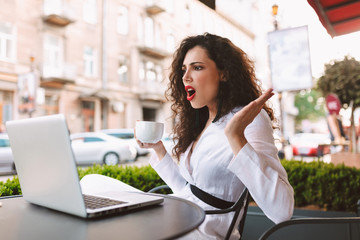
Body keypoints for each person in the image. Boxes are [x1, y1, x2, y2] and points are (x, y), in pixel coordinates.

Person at [81, 33, 294, 239]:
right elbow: (187, 189)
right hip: (180, 212)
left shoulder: (249, 119)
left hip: (203, 229)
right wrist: (158, 148)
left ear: (224, 73)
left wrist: (236, 136)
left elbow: (282, 211)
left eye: (197, 67)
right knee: (91, 182)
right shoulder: (201, 119)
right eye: (184, 69)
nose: (185, 77)